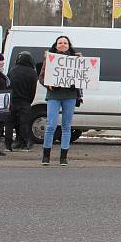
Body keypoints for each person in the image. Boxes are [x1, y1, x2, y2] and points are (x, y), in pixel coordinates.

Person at [39, 35, 83, 166]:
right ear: (56, 45)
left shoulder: (76, 60)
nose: (62, 44)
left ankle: (63, 156)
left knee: (66, 126)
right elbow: (41, 77)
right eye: (60, 43)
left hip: (70, 95)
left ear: (69, 45)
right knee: (51, 125)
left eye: (65, 43)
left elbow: (83, 76)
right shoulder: (50, 59)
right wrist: (49, 85)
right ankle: (46, 156)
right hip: (54, 95)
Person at [6, 51, 38, 151]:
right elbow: (33, 90)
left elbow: (7, 85)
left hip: (11, 101)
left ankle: (8, 144)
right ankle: (23, 144)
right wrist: (29, 101)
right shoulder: (32, 72)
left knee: (9, 123)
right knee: (24, 123)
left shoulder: (12, 70)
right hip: (25, 102)